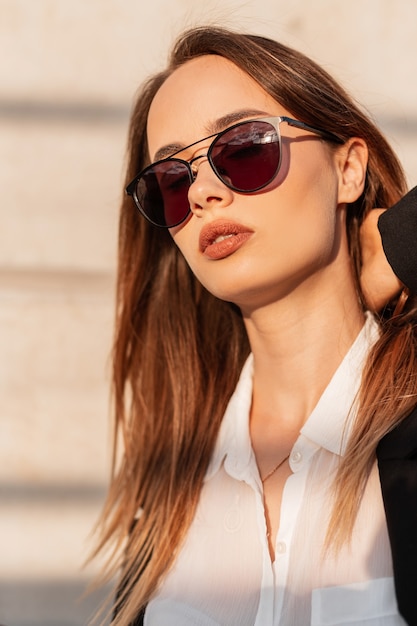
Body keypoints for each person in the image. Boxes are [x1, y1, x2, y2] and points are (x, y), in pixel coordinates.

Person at [92, 26, 417, 626]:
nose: (204, 194)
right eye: (171, 180)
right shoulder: (171, 494)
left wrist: (398, 243)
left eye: (244, 147)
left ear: (348, 170)